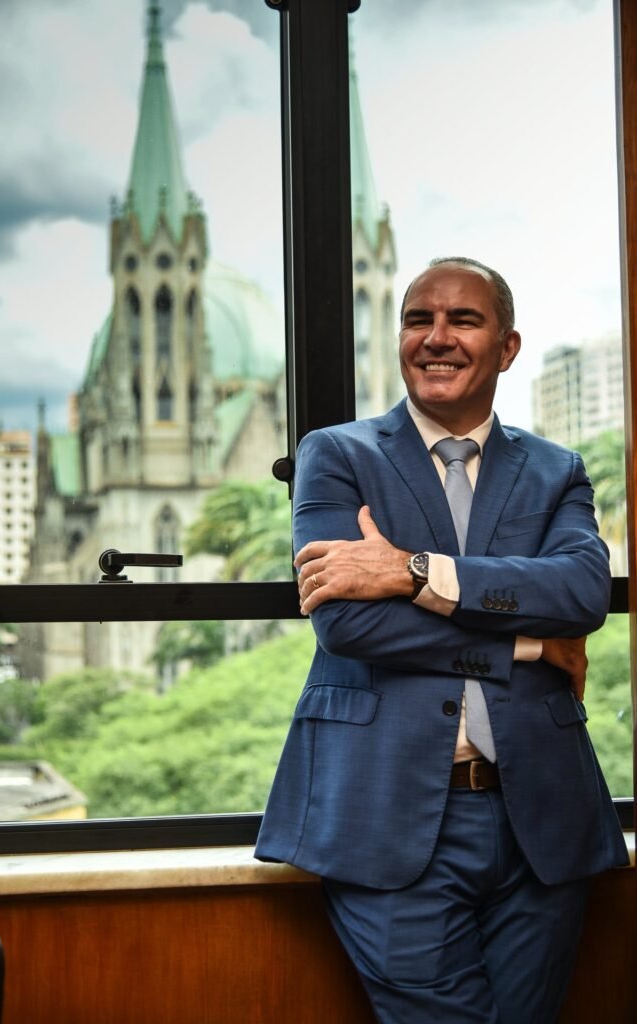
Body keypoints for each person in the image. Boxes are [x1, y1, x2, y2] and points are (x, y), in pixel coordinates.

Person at [255, 257, 629, 1023]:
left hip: (542, 824)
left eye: (463, 320)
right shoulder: (337, 455)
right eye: (418, 319)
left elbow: (581, 593)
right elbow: (348, 620)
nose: (437, 337)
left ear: (508, 346)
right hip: (382, 817)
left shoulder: (557, 472)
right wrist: (524, 646)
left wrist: (413, 570)